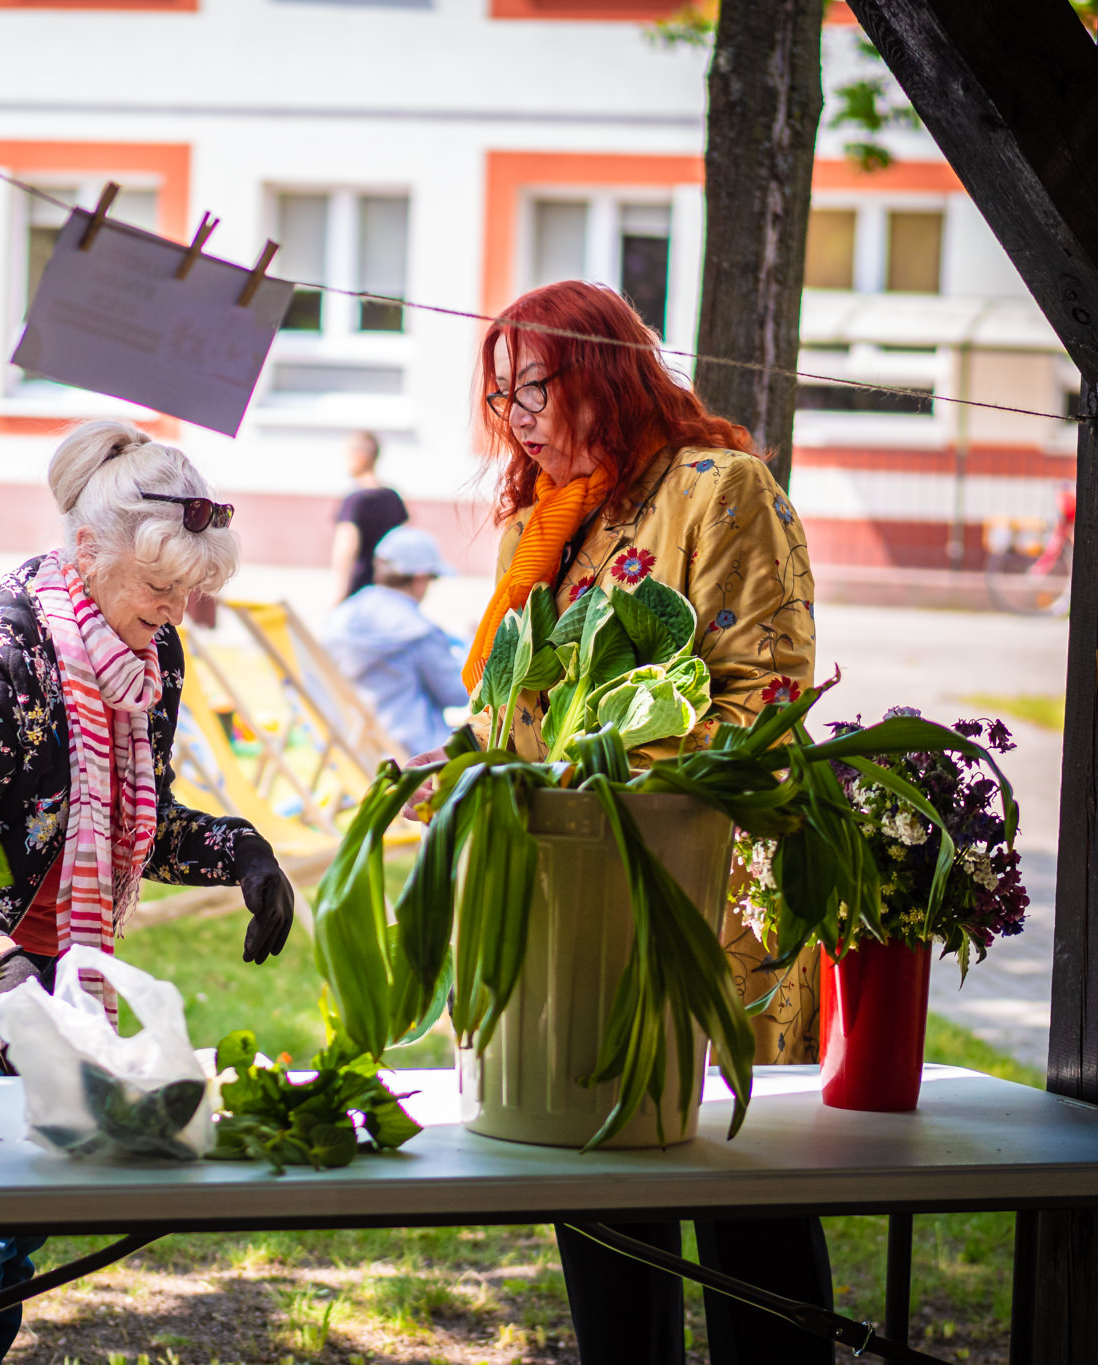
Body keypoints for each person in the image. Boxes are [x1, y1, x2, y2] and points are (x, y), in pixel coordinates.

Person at [0, 419, 298, 1365]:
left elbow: (136, 814)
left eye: (191, 591)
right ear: (86, 550)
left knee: (23, 1210)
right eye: (160, 587)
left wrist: (243, 853)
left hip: (50, 956)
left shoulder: (147, 652)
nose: (176, 612)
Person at [454, 280, 823, 1364]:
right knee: (596, 1169)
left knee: (738, 1185)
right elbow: (510, 700)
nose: (515, 417)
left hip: (701, 889)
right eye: (499, 396)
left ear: (603, 371)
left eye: (535, 386)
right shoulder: (548, 517)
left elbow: (762, 694)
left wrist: (589, 777)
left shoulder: (721, 488)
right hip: (571, 898)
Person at [320, 524, 465, 756]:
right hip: (415, 754)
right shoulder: (418, 631)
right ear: (419, 578)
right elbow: (458, 692)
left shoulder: (342, 616)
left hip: (352, 747)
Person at [327, 430, 408, 599]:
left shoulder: (355, 500)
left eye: (347, 456)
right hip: (389, 585)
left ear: (360, 457)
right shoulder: (393, 496)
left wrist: (339, 592)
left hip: (360, 586)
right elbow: (404, 541)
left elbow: (346, 548)